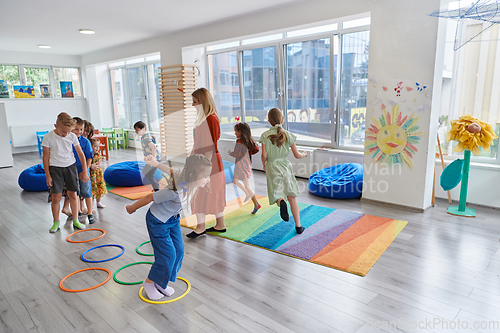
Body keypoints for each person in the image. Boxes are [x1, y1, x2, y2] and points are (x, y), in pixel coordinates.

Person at [125, 154, 212, 300]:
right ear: (192, 175)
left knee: (179, 250)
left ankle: (160, 281)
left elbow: (172, 171)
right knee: (167, 255)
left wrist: (155, 162)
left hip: (173, 220)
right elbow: (150, 197)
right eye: (205, 176)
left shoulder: (190, 182)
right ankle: (148, 283)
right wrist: (132, 208)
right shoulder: (175, 191)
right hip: (157, 222)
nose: (208, 179)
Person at [259, 108, 308, 234]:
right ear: (283, 119)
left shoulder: (265, 135)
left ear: (268, 120)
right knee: (292, 196)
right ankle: (298, 226)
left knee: (278, 194)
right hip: (285, 166)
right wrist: (304, 154)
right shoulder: (288, 134)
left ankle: (281, 203)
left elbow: (264, 155)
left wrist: (264, 164)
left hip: (272, 165)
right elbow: (297, 155)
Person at [186, 88, 226, 238]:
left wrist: (203, 168)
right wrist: (190, 160)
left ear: (203, 102)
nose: (192, 105)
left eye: (195, 102)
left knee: (209, 193)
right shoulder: (202, 119)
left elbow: (210, 147)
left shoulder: (211, 119)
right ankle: (218, 225)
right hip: (202, 161)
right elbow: (197, 144)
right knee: (206, 193)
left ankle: (202, 227)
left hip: (209, 162)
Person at [42, 112, 88, 233]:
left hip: (70, 167)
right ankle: (56, 222)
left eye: (68, 131)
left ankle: (76, 219)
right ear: (55, 126)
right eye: (63, 132)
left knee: (73, 195)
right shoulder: (48, 137)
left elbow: (81, 154)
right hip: (55, 169)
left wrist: (84, 171)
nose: (66, 134)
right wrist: (48, 175)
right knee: (56, 197)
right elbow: (45, 157)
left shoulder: (72, 136)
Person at [61, 117, 95, 223]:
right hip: (71, 172)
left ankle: (90, 213)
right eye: (76, 129)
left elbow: (89, 157)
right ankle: (78, 212)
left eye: (81, 129)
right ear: (71, 128)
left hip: (84, 172)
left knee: (86, 192)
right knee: (74, 194)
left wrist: (85, 171)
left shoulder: (85, 142)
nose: (79, 132)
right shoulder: (66, 140)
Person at [228, 122, 261, 214]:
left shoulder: (239, 142)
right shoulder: (249, 141)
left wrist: (231, 153)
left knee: (246, 185)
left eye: (236, 131)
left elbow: (236, 154)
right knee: (236, 181)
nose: (235, 133)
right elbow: (256, 149)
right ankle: (248, 194)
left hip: (240, 165)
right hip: (247, 165)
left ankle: (256, 203)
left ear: (241, 131)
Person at [134, 121, 160, 192]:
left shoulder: (146, 138)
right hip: (150, 159)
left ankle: (156, 190)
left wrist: (153, 160)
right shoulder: (143, 137)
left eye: (137, 130)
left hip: (154, 159)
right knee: (145, 172)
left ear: (143, 129)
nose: (136, 131)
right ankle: (156, 185)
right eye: (135, 130)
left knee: (149, 175)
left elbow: (153, 147)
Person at [90, 138, 107, 209]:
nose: (97, 148)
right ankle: (92, 205)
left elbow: (98, 164)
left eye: (98, 146)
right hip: (92, 175)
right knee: (93, 189)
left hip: (98, 174)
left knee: (99, 188)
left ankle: (98, 202)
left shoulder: (98, 155)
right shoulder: (89, 155)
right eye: (95, 146)